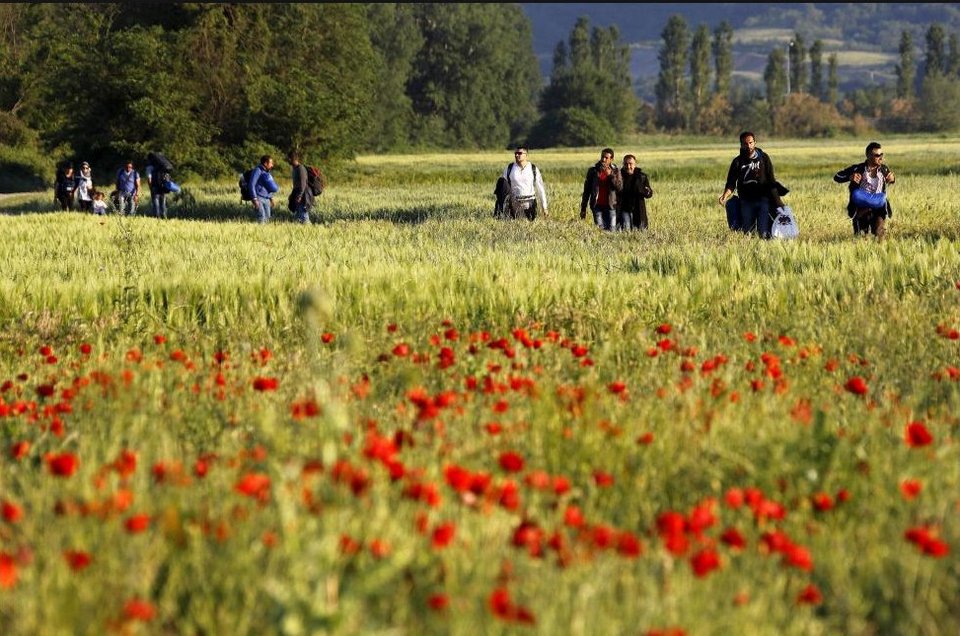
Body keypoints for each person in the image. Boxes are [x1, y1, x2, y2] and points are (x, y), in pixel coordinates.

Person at [718, 131, 782, 239]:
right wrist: (725, 195)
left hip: (763, 200)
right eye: (745, 144)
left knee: (764, 231)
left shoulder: (764, 158)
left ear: (755, 142)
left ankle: (767, 251)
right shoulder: (737, 162)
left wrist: (778, 202)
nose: (749, 146)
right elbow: (731, 182)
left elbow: (771, 180)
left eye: (751, 143)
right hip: (746, 202)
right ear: (741, 145)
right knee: (748, 232)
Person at [833, 141, 896, 239]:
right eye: (877, 155)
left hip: (878, 209)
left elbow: (891, 179)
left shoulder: (884, 169)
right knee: (861, 237)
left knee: (879, 234)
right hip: (861, 209)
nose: (880, 157)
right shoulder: (858, 168)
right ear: (868, 156)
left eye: (881, 154)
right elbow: (837, 177)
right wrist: (850, 177)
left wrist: (892, 179)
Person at [496, 145, 548, 220]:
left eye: (519, 153)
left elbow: (541, 189)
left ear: (526, 155)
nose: (517, 155)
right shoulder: (509, 168)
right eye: (515, 153)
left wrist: (544, 207)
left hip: (530, 204)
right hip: (513, 204)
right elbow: (503, 189)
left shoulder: (533, 169)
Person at [580, 148, 622, 231]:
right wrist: (583, 208)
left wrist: (610, 176)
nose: (603, 159)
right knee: (600, 230)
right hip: (597, 206)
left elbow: (619, 187)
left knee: (612, 230)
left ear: (611, 159)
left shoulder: (616, 171)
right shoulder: (593, 171)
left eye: (606, 158)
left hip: (611, 206)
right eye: (602, 157)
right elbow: (586, 191)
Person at [618, 154, 654, 231]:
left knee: (641, 232)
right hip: (624, 209)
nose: (628, 166)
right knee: (626, 232)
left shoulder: (642, 177)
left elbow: (649, 194)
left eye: (630, 164)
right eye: (626, 164)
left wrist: (643, 190)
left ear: (635, 164)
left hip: (639, 209)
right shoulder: (619, 176)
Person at [248, 155, 279, 224]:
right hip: (259, 198)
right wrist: (254, 199)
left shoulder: (266, 172)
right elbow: (251, 184)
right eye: (271, 163)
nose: (272, 165)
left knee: (267, 218)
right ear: (265, 163)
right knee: (261, 218)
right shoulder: (257, 170)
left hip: (266, 199)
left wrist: (271, 198)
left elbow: (268, 186)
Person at [286, 151, 313, 224]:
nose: (287, 160)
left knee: (303, 215)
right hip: (298, 193)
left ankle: (308, 229)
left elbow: (303, 183)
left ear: (291, 158)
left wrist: (300, 195)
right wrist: (292, 195)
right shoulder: (295, 169)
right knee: (299, 215)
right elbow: (296, 184)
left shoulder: (300, 168)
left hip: (303, 195)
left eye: (288, 158)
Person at [145, 152, 171, 219]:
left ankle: (157, 216)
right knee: (163, 202)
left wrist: (151, 187)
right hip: (163, 186)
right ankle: (164, 216)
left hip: (155, 186)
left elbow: (149, 179)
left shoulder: (149, 167)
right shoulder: (162, 166)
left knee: (156, 201)